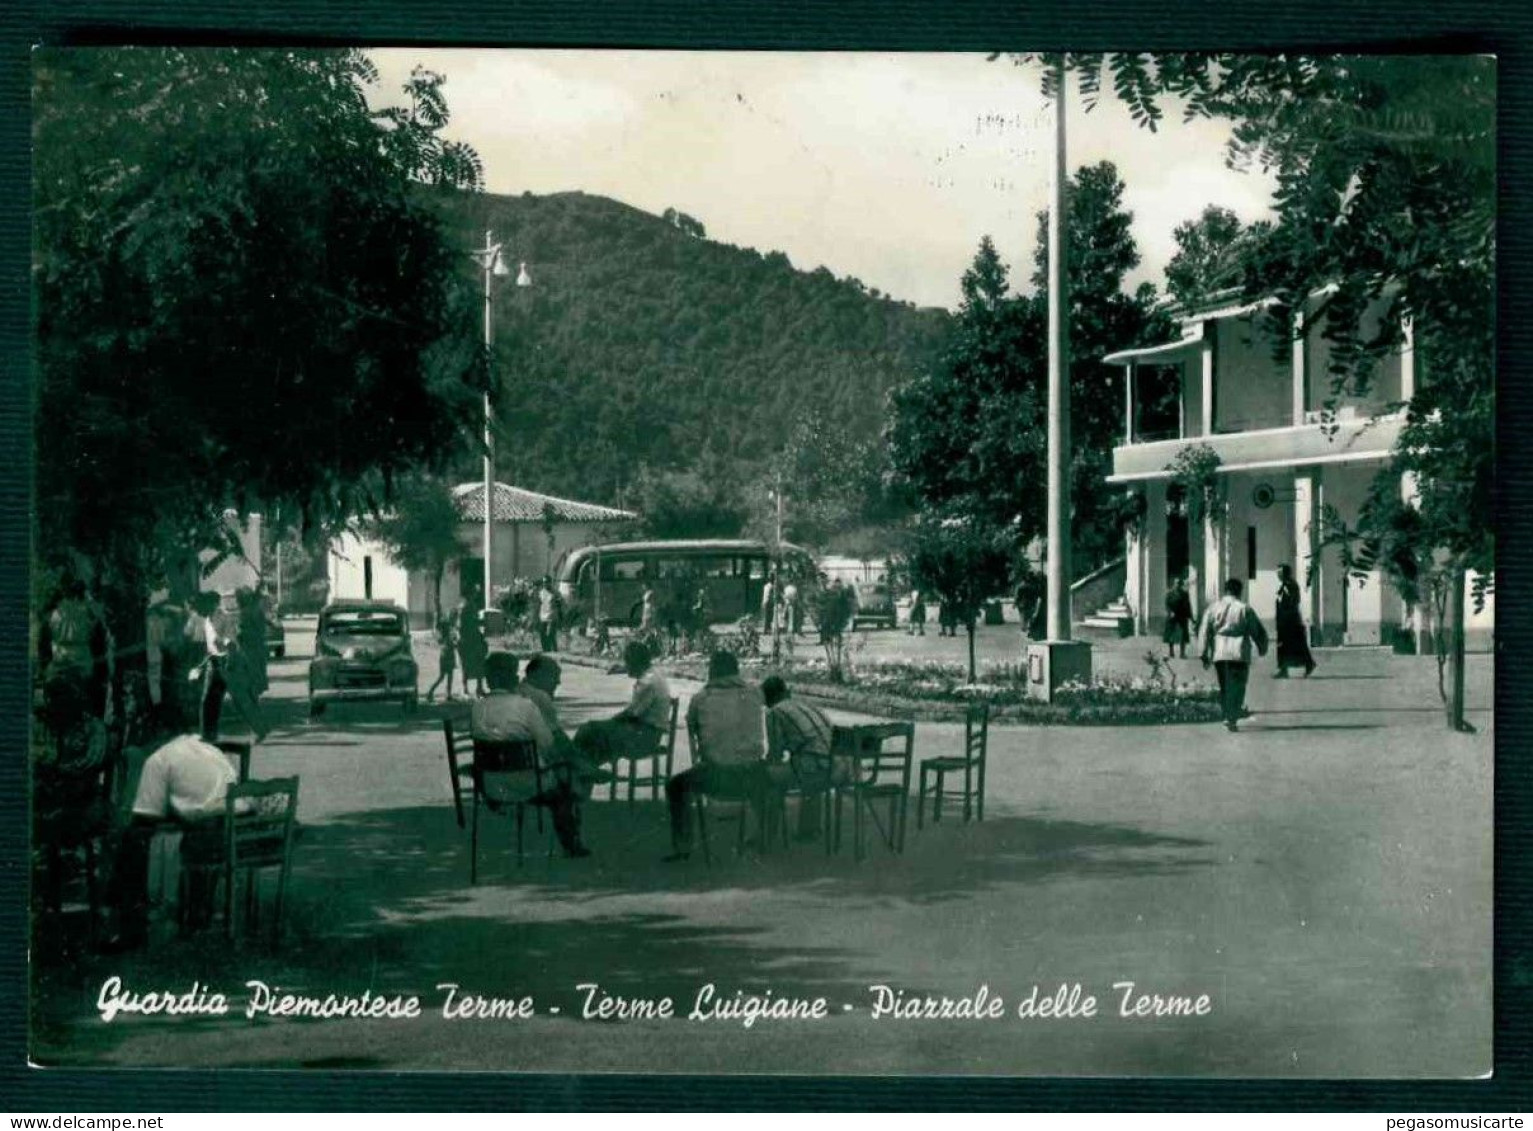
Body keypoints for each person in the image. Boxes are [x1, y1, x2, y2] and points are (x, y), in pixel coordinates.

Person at [106, 732, 242, 947]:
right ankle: (193, 914)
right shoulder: (212, 751)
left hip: (202, 831)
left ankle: (130, 922)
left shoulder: (159, 760)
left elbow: (148, 812)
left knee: (133, 839)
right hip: (228, 826)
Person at [471, 652, 588, 858]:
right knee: (562, 790)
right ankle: (571, 844)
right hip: (528, 784)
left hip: (491, 785)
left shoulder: (478, 707)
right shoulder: (526, 707)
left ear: (488, 679)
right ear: (514, 679)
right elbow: (548, 745)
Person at [664, 651, 769, 861]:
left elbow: (692, 730)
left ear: (712, 672)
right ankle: (760, 841)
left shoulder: (701, 698)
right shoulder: (756, 694)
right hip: (752, 776)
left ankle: (683, 846)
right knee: (765, 773)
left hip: (717, 778)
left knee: (675, 786)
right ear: (736, 670)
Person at [762, 675, 846, 842]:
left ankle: (767, 833)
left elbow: (775, 753)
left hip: (813, 766)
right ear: (786, 691)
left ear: (768, 699)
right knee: (807, 762)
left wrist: (766, 763)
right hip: (837, 765)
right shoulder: (808, 705)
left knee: (766, 776)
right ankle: (809, 829)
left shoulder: (774, 712)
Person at [573, 641, 673, 765]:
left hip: (645, 737)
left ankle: (579, 770)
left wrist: (609, 723)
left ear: (636, 663)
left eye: (628, 662)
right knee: (595, 738)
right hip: (647, 733)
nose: (626, 666)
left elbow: (632, 714)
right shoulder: (653, 674)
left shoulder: (647, 682)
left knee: (589, 730)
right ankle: (585, 770)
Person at [1198, 577, 1270, 732]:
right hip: (1239, 652)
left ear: (1226, 590)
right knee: (1237, 686)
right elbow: (1256, 630)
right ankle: (1232, 717)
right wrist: (1262, 646)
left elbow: (1204, 631)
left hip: (1220, 651)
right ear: (1239, 591)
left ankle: (1226, 715)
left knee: (1224, 685)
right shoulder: (1244, 608)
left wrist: (1203, 653)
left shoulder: (1213, 608)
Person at [1274, 564, 1318, 678]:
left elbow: (1291, 602)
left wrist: (1286, 616)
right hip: (1286, 620)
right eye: (1277, 573)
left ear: (1286, 573)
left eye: (1280, 573)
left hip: (1290, 621)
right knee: (1289, 646)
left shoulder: (1289, 586)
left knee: (1290, 645)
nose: (1278, 575)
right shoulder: (1286, 585)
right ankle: (1285, 669)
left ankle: (1305, 664)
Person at [425, 608, 459, 703]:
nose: (456, 619)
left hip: (447, 653)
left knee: (447, 676)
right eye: (455, 617)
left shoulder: (449, 626)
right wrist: (454, 643)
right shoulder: (448, 627)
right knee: (444, 676)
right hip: (447, 654)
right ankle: (432, 692)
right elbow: (448, 640)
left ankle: (447, 694)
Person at [456, 595, 487, 697]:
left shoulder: (466, 611)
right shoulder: (464, 613)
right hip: (468, 643)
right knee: (467, 666)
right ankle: (466, 689)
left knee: (478, 666)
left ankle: (478, 688)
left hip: (472, 642)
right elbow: (462, 629)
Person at [1163, 578, 1194, 659]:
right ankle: (1171, 652)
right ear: (1174, 584)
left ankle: (1182, 653)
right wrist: (1170, 612)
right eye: (1177, 583)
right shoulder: (1169, 593)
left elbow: (1188, 605)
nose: (1178, 585)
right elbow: (1166, 604)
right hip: (1172, 616)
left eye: (1179, 584)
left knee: (1183, 635)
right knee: (1170, 634)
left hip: (1182, 616)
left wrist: (1191, 617)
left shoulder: (1185, 594)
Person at [536, 578, 560, 653]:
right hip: (542, 616)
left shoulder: (555, 593)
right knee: (542, 635)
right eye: (544, 582)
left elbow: (560, 604)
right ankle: (546, 651)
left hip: (552, 616)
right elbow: (539, 604)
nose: (545, 584)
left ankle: (555, 650)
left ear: (550, 582)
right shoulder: (541, 593)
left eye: (547, 582)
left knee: (550, 634)